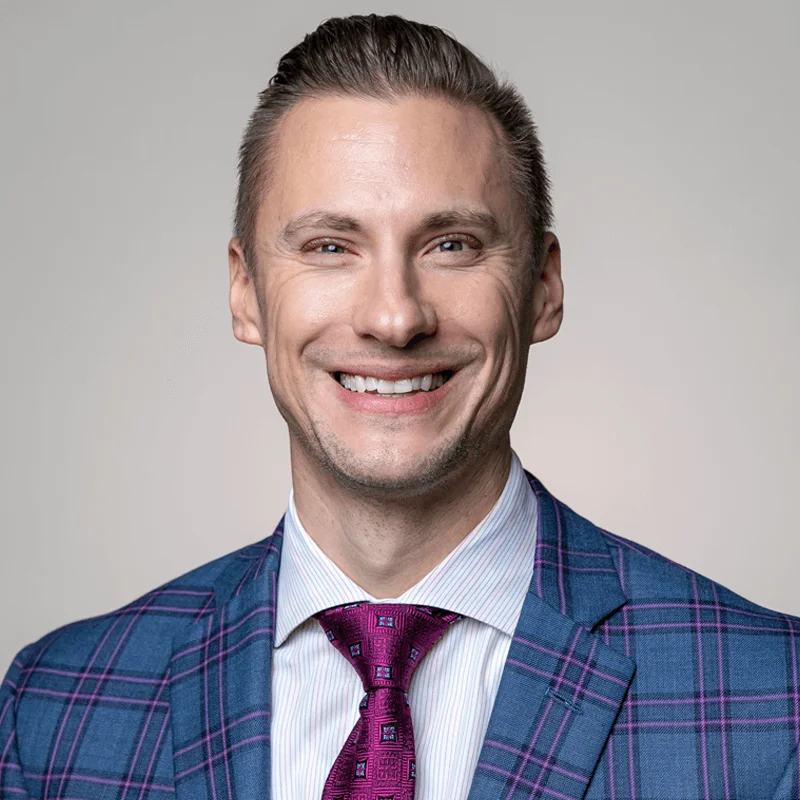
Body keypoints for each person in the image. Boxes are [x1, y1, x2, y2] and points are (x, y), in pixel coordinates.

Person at [1, 13, 797, 800]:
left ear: (543, 288)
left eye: (451, 244)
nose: (394, 317)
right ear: (245, 293)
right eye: (330, 247)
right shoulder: (53, 713)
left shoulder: (776, 704)